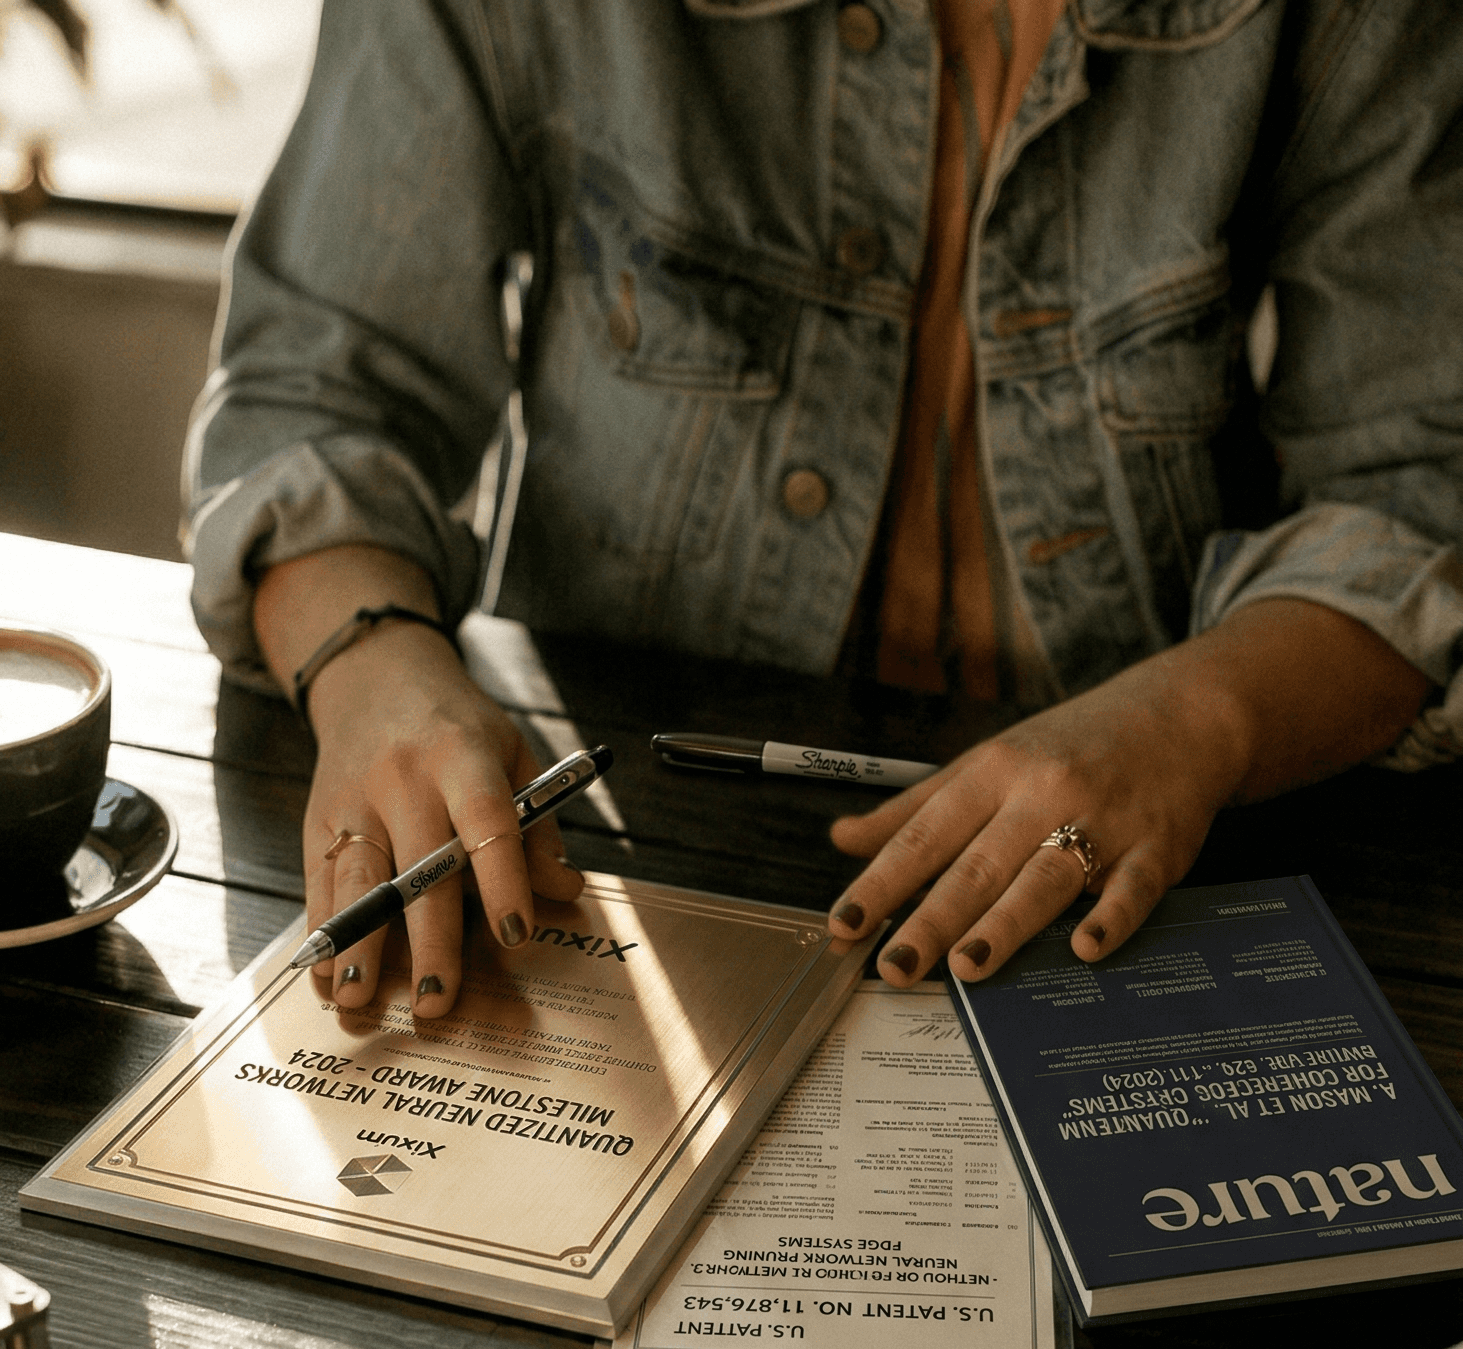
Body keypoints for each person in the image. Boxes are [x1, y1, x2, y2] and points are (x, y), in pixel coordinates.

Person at [183, 0, 1463, 1016]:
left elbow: (1414, 490)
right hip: (611, 867)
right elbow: (319, 386)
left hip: (1142, 893)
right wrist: (375, 673)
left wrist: (1187, 724)